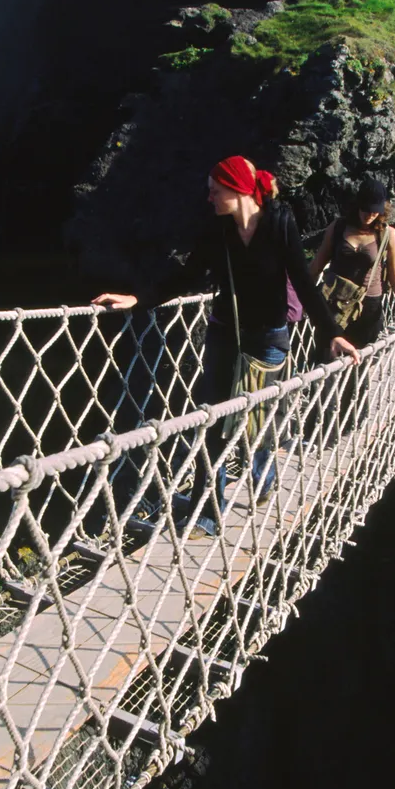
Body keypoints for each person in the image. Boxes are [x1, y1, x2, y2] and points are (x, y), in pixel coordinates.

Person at [93, 155, 357, 534]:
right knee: (212, 420)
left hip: (268, 336)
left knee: (257, 418)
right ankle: (208, 512)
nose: (209, 198)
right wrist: (138, 299)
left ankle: (263, 474)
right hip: (224, 333)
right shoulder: (216, 229)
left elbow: (301, 281)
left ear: (237, 189)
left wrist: (331, 332)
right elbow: (187, 275)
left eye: (215, 191)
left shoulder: (279, 222)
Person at [308, 175, 395, 349]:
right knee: (325, 357)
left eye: (375, 210)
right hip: (334, 304)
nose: (370, 215)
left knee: (359, 364)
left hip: (368, 308)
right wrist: (297, 299)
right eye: (366, 209)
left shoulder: (388, 235)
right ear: (358, 205)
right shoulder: (338, 227)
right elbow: (315, 267)